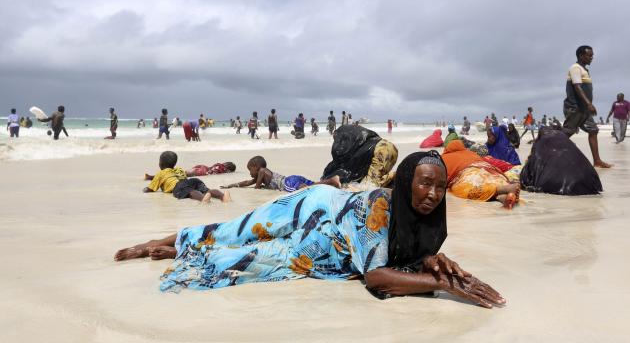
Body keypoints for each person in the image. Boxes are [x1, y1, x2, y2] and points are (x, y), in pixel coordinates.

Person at [115, 152, 506, 309]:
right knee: (237, 230)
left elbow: (405, 252)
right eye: (424, 183)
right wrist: (445, 285)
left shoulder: (432, 217)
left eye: (439, 186)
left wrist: (431, 261)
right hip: (313, 204)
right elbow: (375, 276)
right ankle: (168, 239)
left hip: (328, 239)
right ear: (405, 183)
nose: (433, 195)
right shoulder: (380, 208)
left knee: (259, 259)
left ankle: (186, 249)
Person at [562, 45, 612, 168]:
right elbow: (577, 87)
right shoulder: (575, 68)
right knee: (566, 133)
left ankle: (597, 161)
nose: (592, 58)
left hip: (584, 109)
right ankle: (546, 155)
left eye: (592, 55)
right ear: (581, 56)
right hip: (575, 107)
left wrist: (587, 105)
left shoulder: (585, 70)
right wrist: (589, 104)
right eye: (589, 55)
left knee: (593, 130)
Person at [520, 127, 602, 195]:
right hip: (591, 181)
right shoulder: (566, 141)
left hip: (560, 186)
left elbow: (527, 175)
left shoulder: (541, 141)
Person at [441, 140, 519, 209]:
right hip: (490, 169)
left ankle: (501, 190)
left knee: (471, 188)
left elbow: (442, 179)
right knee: (495, 181)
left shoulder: (444, 157)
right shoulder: (470, 153)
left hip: (468, 172)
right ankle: (503, 197)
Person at [321, 125, 398, 187]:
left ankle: (394, 175)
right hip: (384, 148)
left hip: (382, 149)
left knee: (369, 185)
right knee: (366, 182)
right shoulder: (356, 144)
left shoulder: (349, 144)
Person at [143, 151, 231, 203]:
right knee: (207, 190)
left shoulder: (160, 173)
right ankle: (222, 196)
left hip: (178, 185)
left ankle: (202, 199)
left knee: (190, 191)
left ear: (161, 164)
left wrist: (144, 189)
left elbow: (150, 189)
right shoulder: (179, 169)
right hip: (192, 181)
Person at [222, 156, 341, 192]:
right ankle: (333, 181)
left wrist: (258, 188)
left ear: (256, 167)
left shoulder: (262, 171)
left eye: (250, 170)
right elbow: (247, 182)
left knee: (305, 190)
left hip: (287, 183)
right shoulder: (262, 174)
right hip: (292, 178)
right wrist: (231, 185)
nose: (250, 173)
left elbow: (256, 187)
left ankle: (332, 182)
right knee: (314, 184)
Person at [146, 162, 236, 179]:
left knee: (182, 173)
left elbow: (211, 167)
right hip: (204, 172)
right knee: (180, 175)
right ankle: (154, 176)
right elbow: (213, 173)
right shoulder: (223, 169)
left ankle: (155, 176)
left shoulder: (219, 164)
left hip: (203, 167)